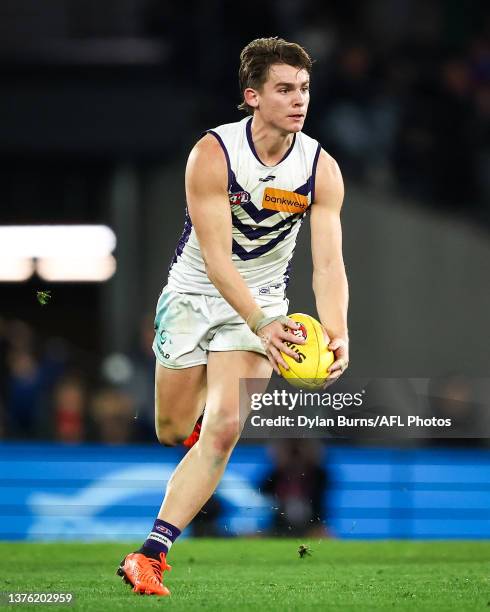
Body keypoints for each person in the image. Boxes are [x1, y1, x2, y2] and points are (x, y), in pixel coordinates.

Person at [117, 36, 349, 596]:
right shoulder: (213, 155)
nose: (300, 100)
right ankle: (198, 431)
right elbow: (218, 259)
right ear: (252, 95)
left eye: (305, 89)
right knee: (173, 432)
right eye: (285, 89)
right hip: (195, 295)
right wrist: (262, 323)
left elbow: (328, 265)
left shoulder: (320, 168)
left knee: (224, 430)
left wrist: (337, 331)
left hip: (265, 302)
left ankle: (150, 554)